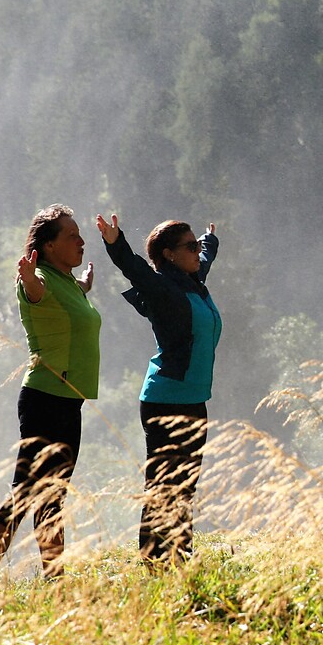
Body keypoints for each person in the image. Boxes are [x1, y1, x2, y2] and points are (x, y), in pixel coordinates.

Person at [0, 204, 99, 580]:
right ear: (47, 247)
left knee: (53, 495)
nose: (81, 241)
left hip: (68, 401)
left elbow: (64, 294)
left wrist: (84, 286)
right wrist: (29, 277)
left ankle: (55, 579)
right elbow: (36, 291)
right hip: (46, 400)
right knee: (26, 492)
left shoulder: (66, 280)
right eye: (72, 236)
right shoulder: (39, 279)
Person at [96, 212, 221, 563]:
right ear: (168, 254)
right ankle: (153, 560)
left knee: (185, 484)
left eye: (197, 245)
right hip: (165, 400)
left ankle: (179, 555)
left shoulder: (192, 279)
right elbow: (133, 267)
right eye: (191, 246)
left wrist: (210, 241)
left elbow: (206, 260)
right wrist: (114, 242)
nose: (197, 252)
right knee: (164, 485)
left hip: (195, 399)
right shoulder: (162, 287)